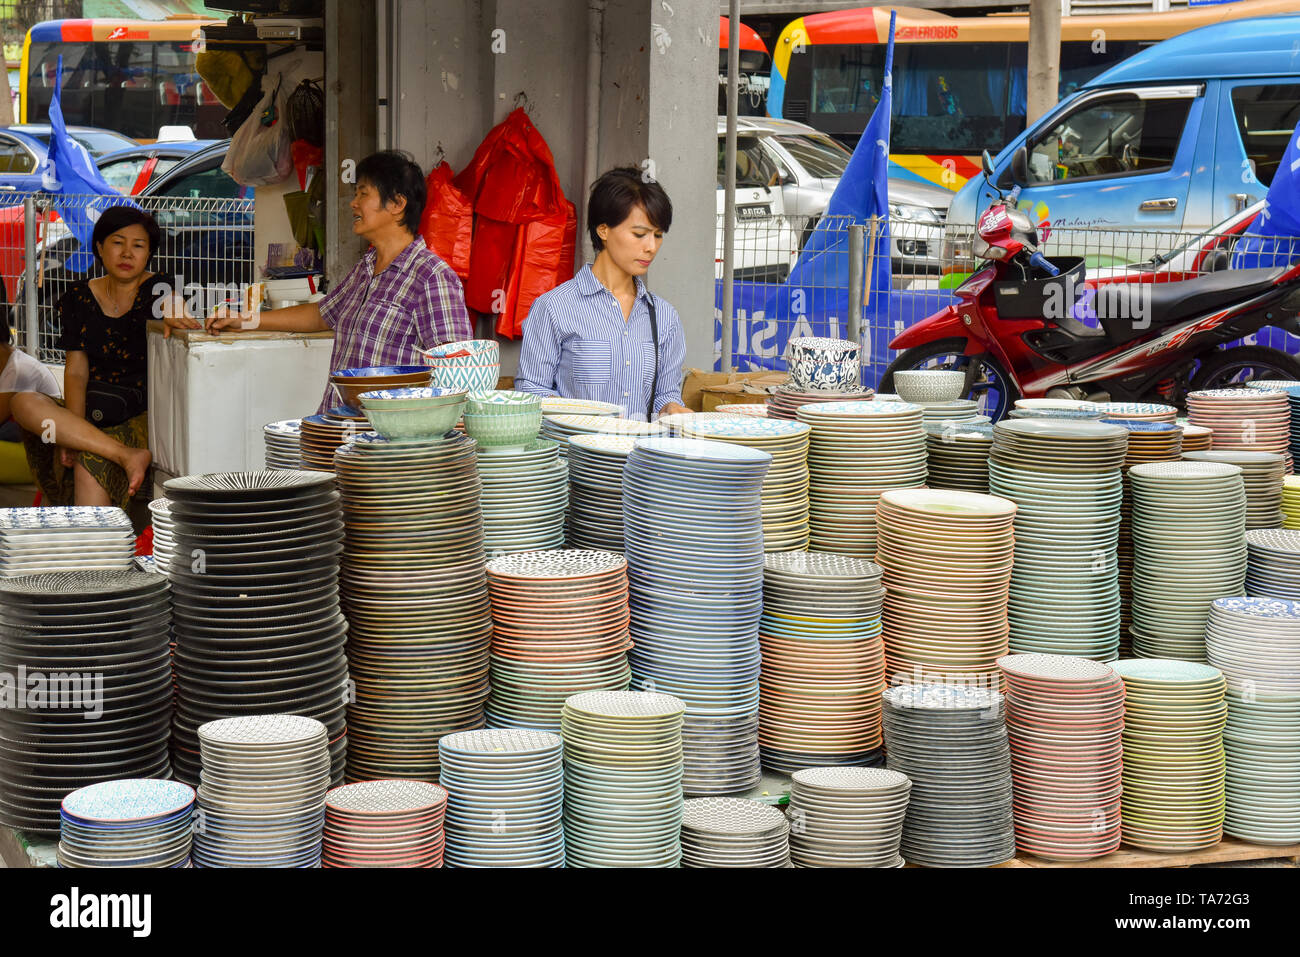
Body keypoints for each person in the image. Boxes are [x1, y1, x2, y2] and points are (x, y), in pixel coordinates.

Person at [206, 150, 474, 411]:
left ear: (397, 204)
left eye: (363, 193)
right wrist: (247, 320)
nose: (353, 202)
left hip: (389, 447)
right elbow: (320, 315)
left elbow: (458, 373)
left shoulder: (432, 278)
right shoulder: (365, 268)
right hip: (339, 431)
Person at [15, 206, 185, 508]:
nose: (127, 253)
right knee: (22, 401)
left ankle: (94, 551)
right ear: (99, 247)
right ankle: (122, 453)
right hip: (91, 411)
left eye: (138, 245)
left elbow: (173, 303)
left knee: (89, 464)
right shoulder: (78, 297)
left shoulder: (160, 289)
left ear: (148, 254)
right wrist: (72, 432)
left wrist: (175, 310)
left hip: (141, 414)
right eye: (118, 242)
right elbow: (77, 372)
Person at [514, 167, 689, 420]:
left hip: (641, 458)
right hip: (579, 457)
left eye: (658, 235)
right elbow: (531, 390)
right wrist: (576, 416)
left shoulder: (664, 317)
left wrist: (670, 407)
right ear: (603, 230)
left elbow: (665, 393)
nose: (651, 247)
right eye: (639, 234)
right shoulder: (554, 308)